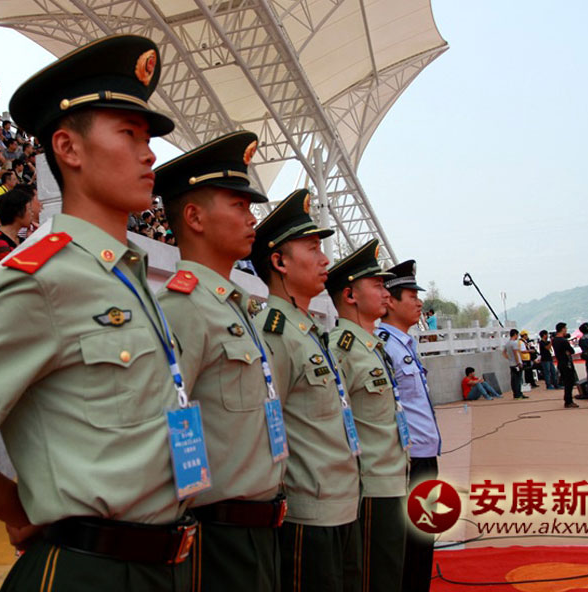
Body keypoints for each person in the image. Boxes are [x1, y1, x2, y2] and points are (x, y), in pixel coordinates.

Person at [0, 35, 200, 591]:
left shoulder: (128, 276)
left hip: (162, 563)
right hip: (89, 570)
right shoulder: (42, 278)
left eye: (148, 138)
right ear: (69, 148)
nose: (149, 153)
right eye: (128, 134)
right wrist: (20, 508)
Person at [154, 131, 286, 591]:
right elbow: (164, 426)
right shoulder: (183, 307)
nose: (252, 219)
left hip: (260, 526)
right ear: (194, 217)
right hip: (220, 535)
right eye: (239, 205)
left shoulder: (233, 306)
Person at [248, 188, 362, 591]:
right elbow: (265, 426)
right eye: (312, 249)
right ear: (279, 261)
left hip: (341, 502)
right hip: (308, 514)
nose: (325, 259)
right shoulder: (274, 332)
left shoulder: (308, 330)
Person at [326, 239, 408, 592]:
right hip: (371, 488)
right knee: (376, 578)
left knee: (392, 573)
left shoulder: (372, 346)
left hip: (393, 480)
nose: (386, 293)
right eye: (377, 285)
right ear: (350, 295)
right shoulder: (341, 349)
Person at [376, 259, 440, 592]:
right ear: (390, 301)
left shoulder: (405, 344)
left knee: (423, 539)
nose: (419, 302)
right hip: (409, 460)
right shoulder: (384, 346)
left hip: (426, 456)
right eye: (411, 296)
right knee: (409, 548)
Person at [0, 185, 32, 271]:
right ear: (18, 212)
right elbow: (15, 270)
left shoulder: (20, 240)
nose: (32, 213)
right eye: (29, 209)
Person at [552, 323, 580, 409]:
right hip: (567, 363)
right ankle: (568, 401)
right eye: (565, 328)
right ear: (563, 329)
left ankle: (568, 400)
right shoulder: (563, 341)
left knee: (567, 382)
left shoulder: (554, 340)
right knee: (569, 382)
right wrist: (568, 351)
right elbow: (571, 351)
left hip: (560, 362)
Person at [502, 329, 528, 399]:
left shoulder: (507, 343)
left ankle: (515, 394)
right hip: (516, 364)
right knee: (518, 380)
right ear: (515, 334)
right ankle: (518, 394)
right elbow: (516, 353)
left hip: (511, 364)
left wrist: (509, 358)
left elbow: (503, 352)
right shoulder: (514, 343)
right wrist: (518, 362)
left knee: (513, 380)